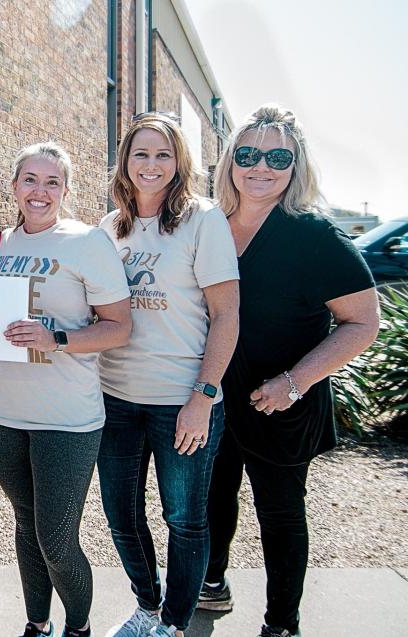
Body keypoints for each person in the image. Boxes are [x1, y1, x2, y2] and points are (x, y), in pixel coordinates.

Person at [201, 105, 378, 637]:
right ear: (230, 162)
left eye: (277, 156)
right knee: (212, 496)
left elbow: (362, 323)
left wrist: (295, 382)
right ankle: (212, 582)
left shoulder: (314, 236)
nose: (261, 167)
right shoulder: (209, 225)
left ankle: (283, 623)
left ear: (295, 165)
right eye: (247, 154)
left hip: (281, 401)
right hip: (213, 396)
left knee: (278, 513)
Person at [95, 113, 240, 637]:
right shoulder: (111, 227)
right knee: (121, 517)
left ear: (178, 161)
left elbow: (227, 315)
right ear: (125, 162)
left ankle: (175, 623)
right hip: (115, 399)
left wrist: (203, 396)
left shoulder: (203, 220)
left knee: (184, 519)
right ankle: (147, 606)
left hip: (183, 400)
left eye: (162, 154)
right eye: (141, 154)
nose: (151, 165)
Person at [0, 142, 132, 637]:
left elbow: (118, 328)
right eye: (30, 180)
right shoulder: (1, 243)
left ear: (66, 190)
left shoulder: (87, 242)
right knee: (26, 527)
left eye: (52, 182)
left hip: (67, 417)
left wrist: (57, 338)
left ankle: (79, 627)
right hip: (2, 413)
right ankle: (37, 624)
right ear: (14, 187)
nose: (39, 191)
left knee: (58, 538)